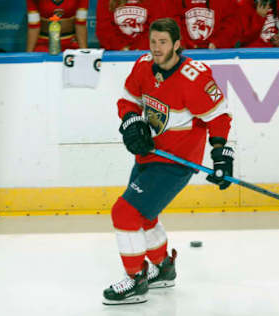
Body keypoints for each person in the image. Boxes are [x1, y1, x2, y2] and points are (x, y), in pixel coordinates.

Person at [102, 17, 233, 305]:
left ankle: (136, 278)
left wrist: (221, 153)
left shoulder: (194, 78)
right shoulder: (142, 65)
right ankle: (163, 268)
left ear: (177, 44)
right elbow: (128, 99)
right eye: (153, 41)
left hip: (176, 162)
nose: (157, 48)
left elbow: (219, 116)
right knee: (144, 216)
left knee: (124, 213)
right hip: (149, 154)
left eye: (163, 42)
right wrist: (131, 120)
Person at [96, 0, 179, 51]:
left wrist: (140, 49)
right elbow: (104, 29)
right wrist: (121, 47)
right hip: (115, 55)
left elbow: (157, 26)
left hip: (147, 53)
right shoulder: (105, 1)